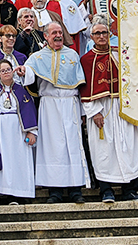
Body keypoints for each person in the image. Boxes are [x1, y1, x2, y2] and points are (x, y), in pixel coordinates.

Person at [80, 20, 138, 203]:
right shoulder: (86, 60)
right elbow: (84, 88)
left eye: (105, 33)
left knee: (129, 148)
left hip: (123, 107)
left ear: (110, 34)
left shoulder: (120, 54)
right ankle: (106, 190)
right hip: (101, 109)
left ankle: (130, 190)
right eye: (97, 33)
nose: (101, 36)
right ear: (91, 37)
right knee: (103, 151)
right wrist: (94, 112)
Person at [24, 22, 90, 204]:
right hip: (50, 105)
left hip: (70, 104)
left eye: (60, 32)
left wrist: (83, 111)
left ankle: (76, 189)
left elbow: (80, 82)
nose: (58, 36)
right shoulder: (37, 56)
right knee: (52, 148)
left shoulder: (72, 55)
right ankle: (55, 191)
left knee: (73, 145)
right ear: (45, 36)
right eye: (54, 33)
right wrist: (24, 71)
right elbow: (29, 72)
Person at [0, 59, 38, 205]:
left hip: (17, 132)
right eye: (3, 70)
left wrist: (32, 132)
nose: (6, 73)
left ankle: (16, 195)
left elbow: (29, 111)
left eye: (8, 69)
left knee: (16, 161)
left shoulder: (22, 91)